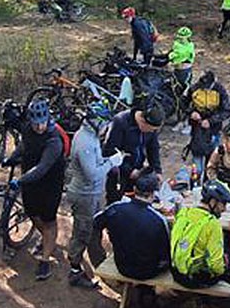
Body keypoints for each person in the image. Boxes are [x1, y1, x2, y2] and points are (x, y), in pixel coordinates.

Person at [3, 98, 67, 281]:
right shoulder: (28, 129)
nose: (39, 127)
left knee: (48, 220)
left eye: (42, 123)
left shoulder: (54, 139)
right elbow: (24, 146)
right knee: (33, 214)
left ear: (48, 118)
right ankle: (48, 239)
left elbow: (42, 168)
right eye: (35, 123)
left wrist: (20, 180)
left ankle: (45, 261)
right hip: (30, 183)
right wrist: (12, 158)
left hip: (50, 184)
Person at [65, 103, 124, 289]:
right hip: (84, 194)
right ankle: (75, 271)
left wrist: (108, 161)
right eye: (105, 123)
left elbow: (96, 163)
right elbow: (92, 174)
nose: (107, 127)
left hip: (91, 194)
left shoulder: (90, 137)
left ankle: (99, 263)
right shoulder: (86, 143)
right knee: (82, 232)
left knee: (93, 229)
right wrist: (111, 163)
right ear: (96, 122)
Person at [169, 179, 230, 291]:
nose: (224, 209)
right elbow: (216, 266)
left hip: (177, 273)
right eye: (223, 204)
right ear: (213, 202)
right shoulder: (212, 223)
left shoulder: (185, 213)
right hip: (196, 279)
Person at [94, 171, 171, 282]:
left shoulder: (115, 208)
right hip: (149, 271)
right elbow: (165, 253)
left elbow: (96, 222)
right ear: (153, 194)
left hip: (123, 266)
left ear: (134, 190)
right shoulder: (158, 220)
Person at [102, 104, 164, 203]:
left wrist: (157, 170)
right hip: (119, 173)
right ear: (143, 122)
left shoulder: (150, 129)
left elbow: (153, 148)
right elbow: (109, 152)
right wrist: (129, 170)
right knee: (116, 203)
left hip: (138, 170)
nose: (152, 132)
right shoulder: (120, 122)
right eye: (151, 129)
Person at [184, 70, 230, 178]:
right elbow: (183, 103)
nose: (205, 88)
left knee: (211, 164)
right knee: (197, 166)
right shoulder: (194, 88)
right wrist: (191, 113)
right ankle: (194, 186)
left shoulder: (220, 91)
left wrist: (211, 121)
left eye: (207, 87)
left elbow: (227, 111)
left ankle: (207, 184)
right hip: (197, 129)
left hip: (213, 130)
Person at [168, 26, 196, 90]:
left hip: (184, 69)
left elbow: (179, 57)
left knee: (183, 85)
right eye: (179, 38)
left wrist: (171, 58)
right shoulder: (177, 44)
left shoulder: (189, 47)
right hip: (178, 69)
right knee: (176, 83)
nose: (180, 40)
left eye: (182, 38)